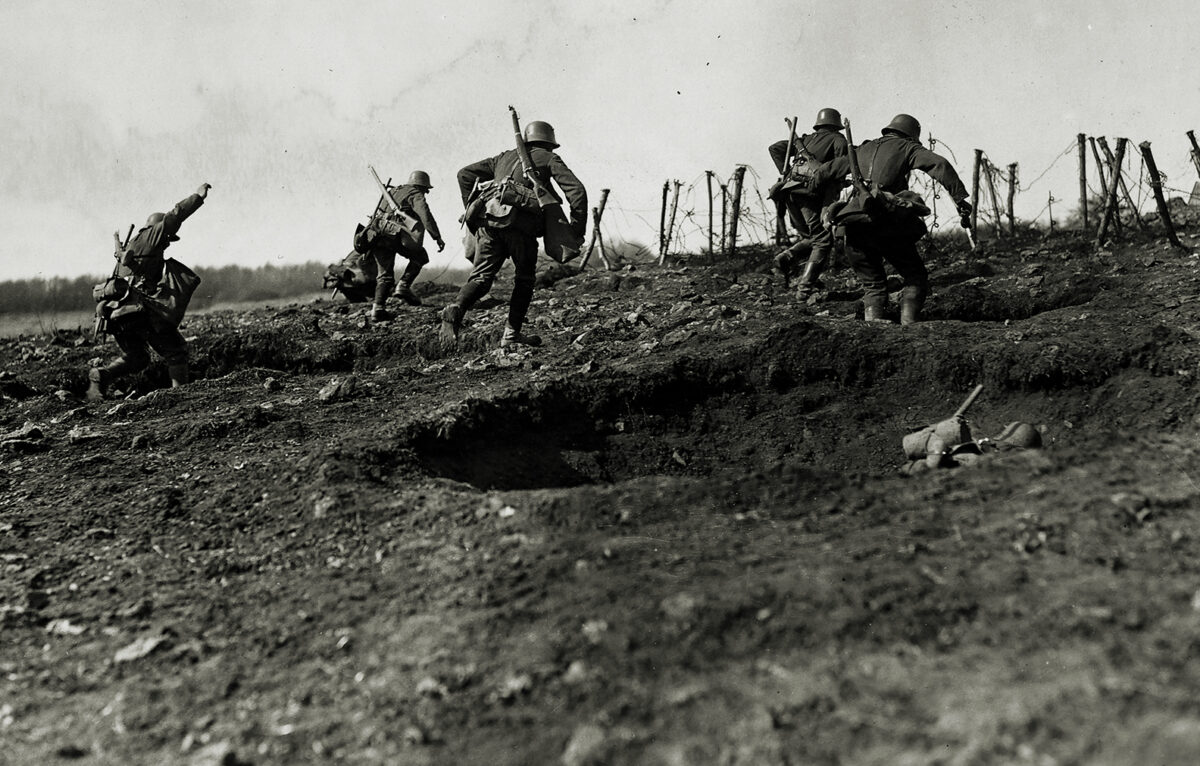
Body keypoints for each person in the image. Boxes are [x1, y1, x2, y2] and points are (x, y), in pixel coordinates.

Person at [440, 120, 586, 349]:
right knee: (524, 280)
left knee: (480, 278)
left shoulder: (503, 158)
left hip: (489, 225)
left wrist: (472, 208)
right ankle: (510, 335)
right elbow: (577, 191)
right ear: (549, 142)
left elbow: (464, 175)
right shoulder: (548, 158)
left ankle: (457, 308)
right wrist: (576, 231)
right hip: (521, 230)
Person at [820, 113, 972, 325]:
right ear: (911, 135)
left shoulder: (861, 149)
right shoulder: (908, 147)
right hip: (887, 221)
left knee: (872, 284)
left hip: (853, 221)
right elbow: (940, 165)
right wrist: (960, 199)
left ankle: (874, 326)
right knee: (915, 276)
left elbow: (824, 172)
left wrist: (825, 203)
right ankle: (909, 327)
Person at [87, 183, 211, 401]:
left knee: (138, 357)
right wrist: (198, 197)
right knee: (176, 351)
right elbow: (175, 216)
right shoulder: (151, 237)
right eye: (168, 239)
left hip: (114, 315)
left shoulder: (129, 248)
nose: (168, 243)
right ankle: (179, 397)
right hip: (138, 311)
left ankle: (102, 375)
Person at [768, 107, 848, 297]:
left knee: (811, 237)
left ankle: (785, 258)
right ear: (836, 124)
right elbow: (840, 168)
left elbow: (775, 148)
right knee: (822, 240)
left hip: (788, 193)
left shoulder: (805, 140)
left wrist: (786, 172)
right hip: (810, 195)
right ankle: (804, 289)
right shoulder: (838, 139)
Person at [357, 170, 445, 321]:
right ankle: (403, 286)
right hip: (395, 235)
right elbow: (425, 215)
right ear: (420, 186)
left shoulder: (391, 191)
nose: (426, 193)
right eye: (426, 189)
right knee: (421, 256)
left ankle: (378, 309)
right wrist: (436, 236)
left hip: (377, 235)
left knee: (384, 275)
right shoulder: (415, 194)